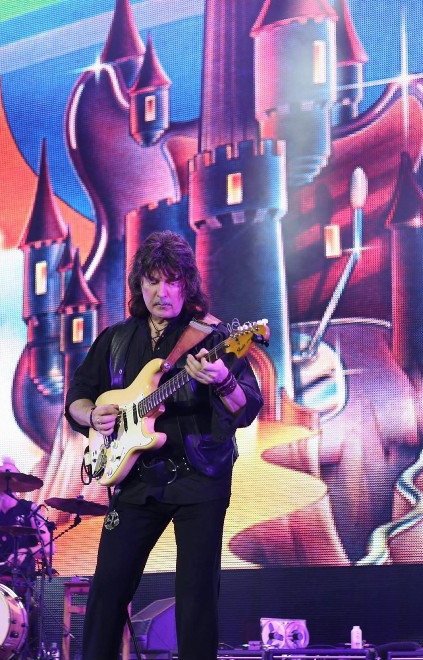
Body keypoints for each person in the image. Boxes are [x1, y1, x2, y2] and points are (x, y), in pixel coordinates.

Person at [65, 230, 264, 660]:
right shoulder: (116, 339)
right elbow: (77, 397)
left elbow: (247, 408)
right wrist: (93, 415)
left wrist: (222, 380)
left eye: (173, 281)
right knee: (107, 591)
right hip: (136, 480)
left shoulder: (213, 338)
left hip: (201, 479)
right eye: (152, 281)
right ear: (139, 285)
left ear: (187, 285)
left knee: (196, 597)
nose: (162, 292)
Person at [0, 457, 54, 657]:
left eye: (10, 475)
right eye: (1, 476)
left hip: (21, 580)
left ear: (17, 483)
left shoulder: (30, 509)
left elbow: (50, 547)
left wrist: (26, 552)